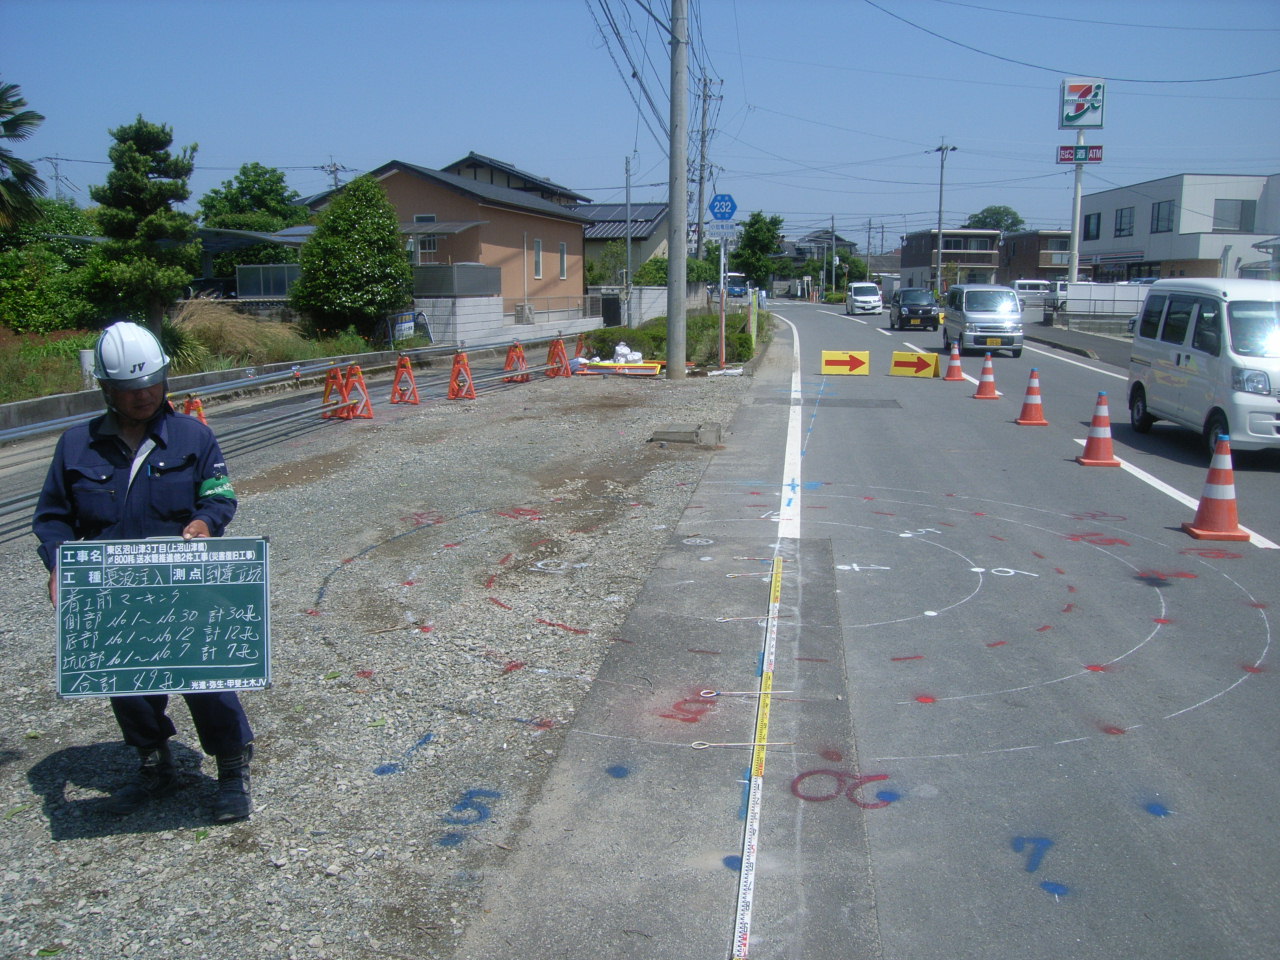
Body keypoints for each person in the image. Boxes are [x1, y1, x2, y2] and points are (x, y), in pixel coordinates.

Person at [33, 321, 254, 822]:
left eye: (153, 384)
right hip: (114, 592)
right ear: (107, 389)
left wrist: (204, 521)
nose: (144, 396)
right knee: (128, 683)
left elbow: (220, 496)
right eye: (131, 390)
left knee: (208, 680)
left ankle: (231, 768)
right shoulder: (76, 447)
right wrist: (58, 564)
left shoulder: (193, 437)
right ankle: (155, 762)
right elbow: (52, 518)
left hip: (184, 586)